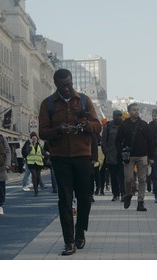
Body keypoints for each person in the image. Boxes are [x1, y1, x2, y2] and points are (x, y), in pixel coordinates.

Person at [38, 68, 101, 256]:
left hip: (82, 155)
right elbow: (42, 132)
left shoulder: (83, 100)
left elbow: (98, 126)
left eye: (70, 84)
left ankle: (80, 230)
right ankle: (69, 241)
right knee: (64, 199)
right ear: (56, 84)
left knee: (84, 197)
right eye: (63, 85)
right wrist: (58, 130)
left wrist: (86, 125)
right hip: (60, 157)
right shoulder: (47, 104)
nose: (67, 88)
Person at [115, 103, 153, 211]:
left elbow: (150, 141)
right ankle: (128, 195)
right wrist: (121, 153)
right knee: (128, 179)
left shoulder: (144, 124)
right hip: (129, 157)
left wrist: (151, 157)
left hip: (142, 156)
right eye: (134, 110)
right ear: (129, 112)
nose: (136, 111)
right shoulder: (124, 125)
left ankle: (140, 202)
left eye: (137, 109)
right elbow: (117, 141)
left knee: (142, 179)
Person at [102, 110, 125, 201]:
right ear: (113, 117)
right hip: (111, 155)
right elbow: (104, 142)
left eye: (120, 116)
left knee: (122, 175)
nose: (118, 118)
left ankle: (123, 193)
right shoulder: (108, 127)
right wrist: (106, 153)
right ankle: (116, 194)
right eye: (116, 116)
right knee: (114, 176)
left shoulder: (124, 126)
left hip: (122, 155)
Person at [24, 132, 44, 197]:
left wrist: (46, 153)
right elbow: (25, 152)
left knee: (38, 177)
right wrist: (29, 147)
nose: (34, 139)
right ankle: (36, 190)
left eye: (35, 137)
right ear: (31, 138)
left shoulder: (39, 144)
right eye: (33, 137)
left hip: (38, 163)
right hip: (31, 163)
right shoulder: (28, 143)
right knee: (34, 176)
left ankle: (37, 187)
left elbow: (41, 151)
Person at [0, 128, 11, 215]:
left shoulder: (2, 138)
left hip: (0, 167)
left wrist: (7, 164)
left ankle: (0, 206)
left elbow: (7, 150)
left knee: (1, 188)